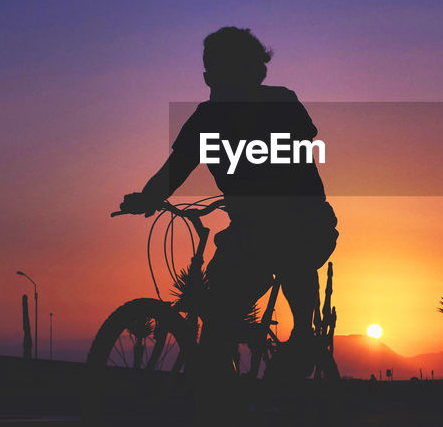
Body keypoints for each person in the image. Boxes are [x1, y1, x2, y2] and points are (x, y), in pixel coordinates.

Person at [119, 27, 338, 374]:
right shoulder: (204, 119)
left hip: (304, 218)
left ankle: (302, 336)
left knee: (292, 253)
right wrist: (148, 197)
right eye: (211, 68)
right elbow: (176, 168)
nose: (213, 76)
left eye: (225, 67)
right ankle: (219, 389)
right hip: (249, 231)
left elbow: (299, 138)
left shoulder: (280, 101)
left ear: (253, 72)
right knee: (218, 308)